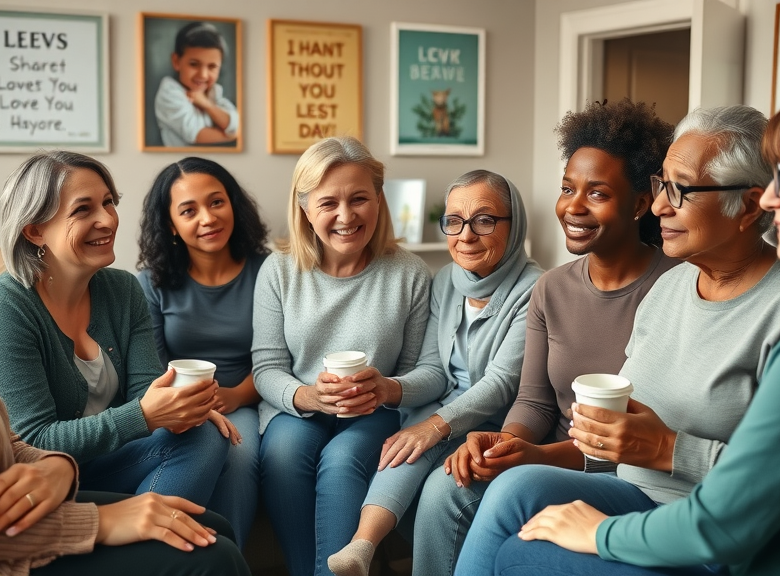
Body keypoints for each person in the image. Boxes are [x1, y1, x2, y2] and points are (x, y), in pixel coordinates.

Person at [493, 79, 780, 576]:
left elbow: (726, 519)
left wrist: (597, 530)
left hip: (754, 548)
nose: (771, 199)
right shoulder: (671, 288)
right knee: (518, 496)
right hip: (670, 505)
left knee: (522, 554)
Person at [0, 89, 248, 575]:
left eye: (109, 203)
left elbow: (6, 443)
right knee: (212, 556)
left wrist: (59, 468)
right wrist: (104, 520)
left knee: (218, 526)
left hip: (38, 493)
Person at [398, 100, 679, 576]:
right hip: (548, 452)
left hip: (620, 466)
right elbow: (533, 402)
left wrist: (533, 457)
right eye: (568, 188)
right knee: (449, 487)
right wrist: (505, 443)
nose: (572, 206)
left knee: (506, 488)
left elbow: (627, 435)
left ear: (637, 204)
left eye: (597, 193)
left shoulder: (674, 287)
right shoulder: (552, 288)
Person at [0, 151, 240, 512]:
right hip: (38, 482)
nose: (107, 220)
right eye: (83, 210)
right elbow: (32, 442)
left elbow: (145, 389)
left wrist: (181, 409)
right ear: (34, 230)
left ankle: (152, 545)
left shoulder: (123, 290)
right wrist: (144, 415)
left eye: (108, 203)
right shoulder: (4, 310)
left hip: (105, 464)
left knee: (203, 434)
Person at [327, 170, 543, 576]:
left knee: (425, 466)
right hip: (442, 411)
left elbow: (502, 383)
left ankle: (365, 545)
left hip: (495, 423)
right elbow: (433, 372)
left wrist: (434, 425)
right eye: (454, 221)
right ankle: (361, 547)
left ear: (514, 226)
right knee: (402, 446)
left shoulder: (536, 289)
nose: (465, 235)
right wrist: (386, 388)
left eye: (484, 219)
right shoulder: (445, 280)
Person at [252, 136, 432, 576]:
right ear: (305, 208)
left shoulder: (410, 273)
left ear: (378, 200)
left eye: (359, 199)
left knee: (341, 461)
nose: (346, 216)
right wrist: (309, 397)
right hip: (297, 408)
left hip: (375, 411)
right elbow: (266, 368)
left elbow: (429, 372)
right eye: (328, 202)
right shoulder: (278, 270)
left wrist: (387, 388)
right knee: (282, 457)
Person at [137, 157, 270, 549]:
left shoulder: (270, 271)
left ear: (234, 204)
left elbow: (278, 356)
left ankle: (231, 560)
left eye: (216, 202)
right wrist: (190, 406)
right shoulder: (150, 282)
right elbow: (151, 367)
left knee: (240, 458)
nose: (207, 218)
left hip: (247, 398)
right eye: (188, 210)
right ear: (170, 224)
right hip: (177, 408)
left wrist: (233, 396)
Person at [155, 22, 238, 147]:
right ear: (176, 61)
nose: (203, 75)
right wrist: (233, 134)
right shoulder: (169, 91)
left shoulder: (214, 91)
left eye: (212, 66)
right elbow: (196, 134)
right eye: (194, 64)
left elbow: (233, 123)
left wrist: (206, 104)